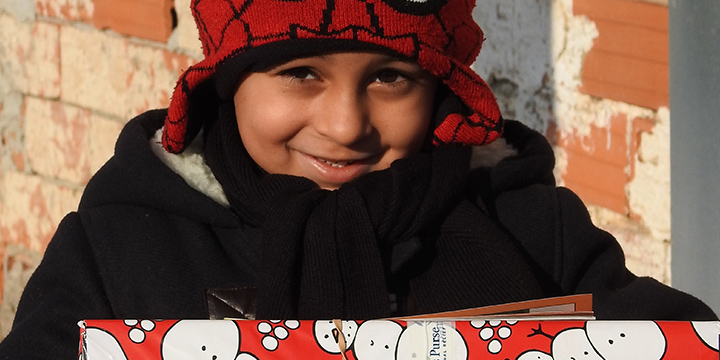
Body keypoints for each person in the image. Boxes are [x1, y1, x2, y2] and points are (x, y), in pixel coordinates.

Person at [0, 0, 715, 357]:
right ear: (225, 81)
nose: (346, 125)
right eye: (300, 73)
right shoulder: (117, 248)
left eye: (392, 78)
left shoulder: (533, 230)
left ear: (440, 92)